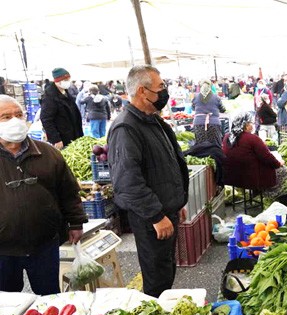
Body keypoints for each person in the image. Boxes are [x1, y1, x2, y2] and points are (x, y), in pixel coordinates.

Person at [107, 65, 189, 298]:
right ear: (143, 91)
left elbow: (167, 165)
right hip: (150, 218)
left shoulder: (152, 120)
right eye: (161, 86)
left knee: (165, 269)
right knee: (156, 277)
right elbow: (127, 182)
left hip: (165, 211)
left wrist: (176, 203)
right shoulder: (126, 127)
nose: (165, 91)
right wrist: (156, 215)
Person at [0, 94, 86, 295]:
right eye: (5, 117)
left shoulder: (48, 153)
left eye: (18, 115)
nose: (15, 121)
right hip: (3, 249)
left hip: (44, 243)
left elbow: (68, 191)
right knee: (6, 305)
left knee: (49, 299)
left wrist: (76, 222)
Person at [223, 112, 287, 198]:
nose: (253, 125)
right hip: (250, 177)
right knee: (284, 171)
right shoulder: (252, 138)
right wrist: (279, 163)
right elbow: (267, 157)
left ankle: (256, 193)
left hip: (232, 176)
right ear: (245, 125)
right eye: (251, 123)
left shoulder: (227, 136)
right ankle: (271, 195)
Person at [40, 68, 84, 149]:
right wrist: (56, 139)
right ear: (59, 81)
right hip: (63, 138)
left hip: (73, 134)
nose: (68, 82)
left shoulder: (66, 92)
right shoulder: (50, 97)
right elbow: (46, 119)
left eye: (68, 79)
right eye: (66, 79)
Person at [192, 79, 226, 146]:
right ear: (210, 86)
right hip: (213, 123)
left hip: (199, 123)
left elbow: (193, 108)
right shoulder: (216, 97)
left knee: (200, 145)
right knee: (215, 145)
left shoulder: (196, 96)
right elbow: (223, 109)